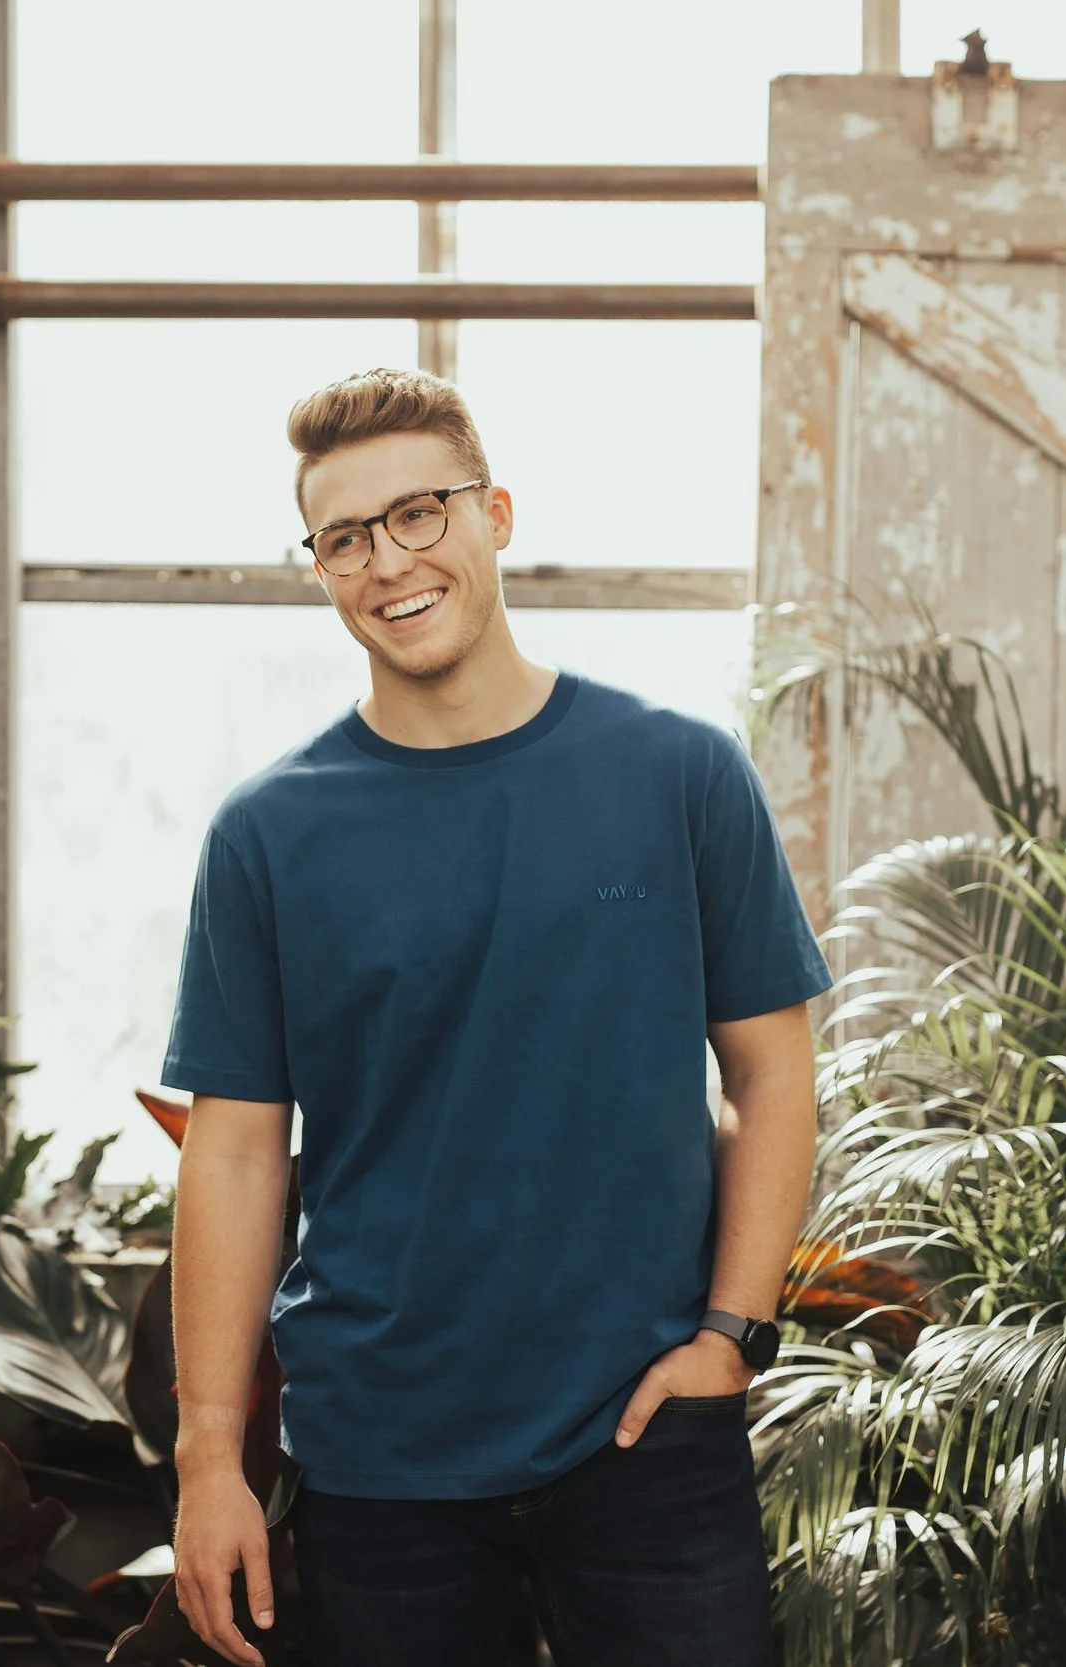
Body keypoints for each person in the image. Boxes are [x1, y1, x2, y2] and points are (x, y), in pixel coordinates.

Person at [160, 366, 830, 1667]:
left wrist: (728, 1337)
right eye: (345, 537)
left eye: (420, 513)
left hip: (648, 1435)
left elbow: (773, 1074)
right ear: (321, 567)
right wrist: (208, 1460)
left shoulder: (679, 773)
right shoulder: (269, 835)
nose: (388, 560)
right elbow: (234, 1152)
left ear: (496, 515)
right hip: (380, 1457)